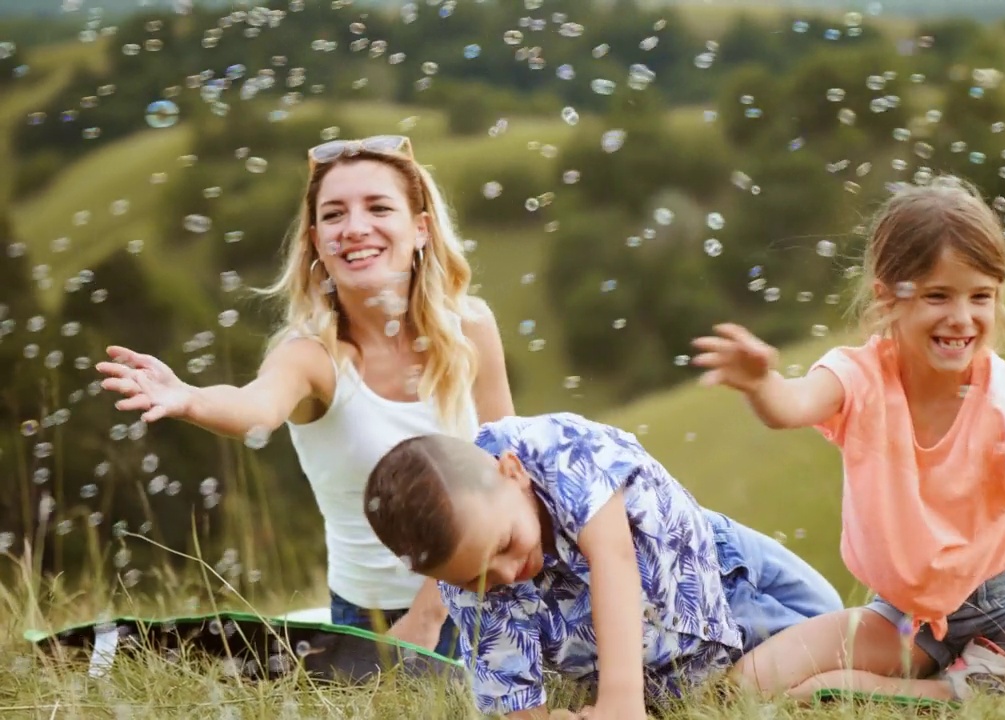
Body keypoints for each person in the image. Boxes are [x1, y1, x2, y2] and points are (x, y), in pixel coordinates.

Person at [690, 175, 1005, 703]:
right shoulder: (859, 377)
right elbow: (791, 407)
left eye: (981, 296)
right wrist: (761, 383)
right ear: (888, 298)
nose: (961, 318)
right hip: (903, 619)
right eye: (938, 295)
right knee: (747, 685)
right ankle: (962, 686)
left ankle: (958, 686)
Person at [95, 135, 515, 658]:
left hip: (490, 592)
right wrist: (188, 397)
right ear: (317, 241)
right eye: (334, 214)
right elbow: (256, 406)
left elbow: (509, 463)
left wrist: (431, 611)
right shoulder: (312, 356)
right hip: (371, 619)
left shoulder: (471, 327)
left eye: (378, 207)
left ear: (421, 228)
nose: (355, 228)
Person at [361, 412, 845, 719]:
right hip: (667, 667)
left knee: (841, 624)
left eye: (506, 544)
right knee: (768, 687)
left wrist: (620, 700)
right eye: (474, 578)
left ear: (511, 472)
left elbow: (614, 559)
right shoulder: (467, 582)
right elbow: (510, 690)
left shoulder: (557, 449)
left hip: (723, 585)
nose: (505, 575)